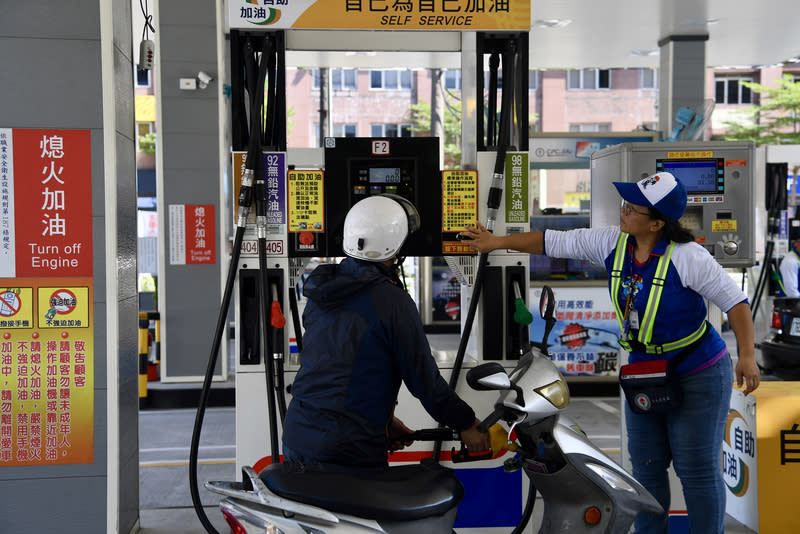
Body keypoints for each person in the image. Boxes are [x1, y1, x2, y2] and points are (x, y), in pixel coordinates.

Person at [460, 171, 760, 534]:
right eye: (625, 204)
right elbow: (551, 241)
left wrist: (746, 355)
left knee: (695, 467)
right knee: (646, 466)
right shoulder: (611, 243)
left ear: (657, 223)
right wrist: (497, 242)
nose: (623, 212)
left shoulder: (688, 256)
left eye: (632, 209)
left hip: (698, 370)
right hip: (644, 371)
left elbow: (736, 303)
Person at [282, 194, 490, 468]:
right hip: (347, 448)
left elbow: (337, 369)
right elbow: (424, 380)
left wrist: (385, 420)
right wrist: (466, 423)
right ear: (396, 245)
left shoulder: (323, 292)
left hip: (298, 434)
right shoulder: (392, 302)